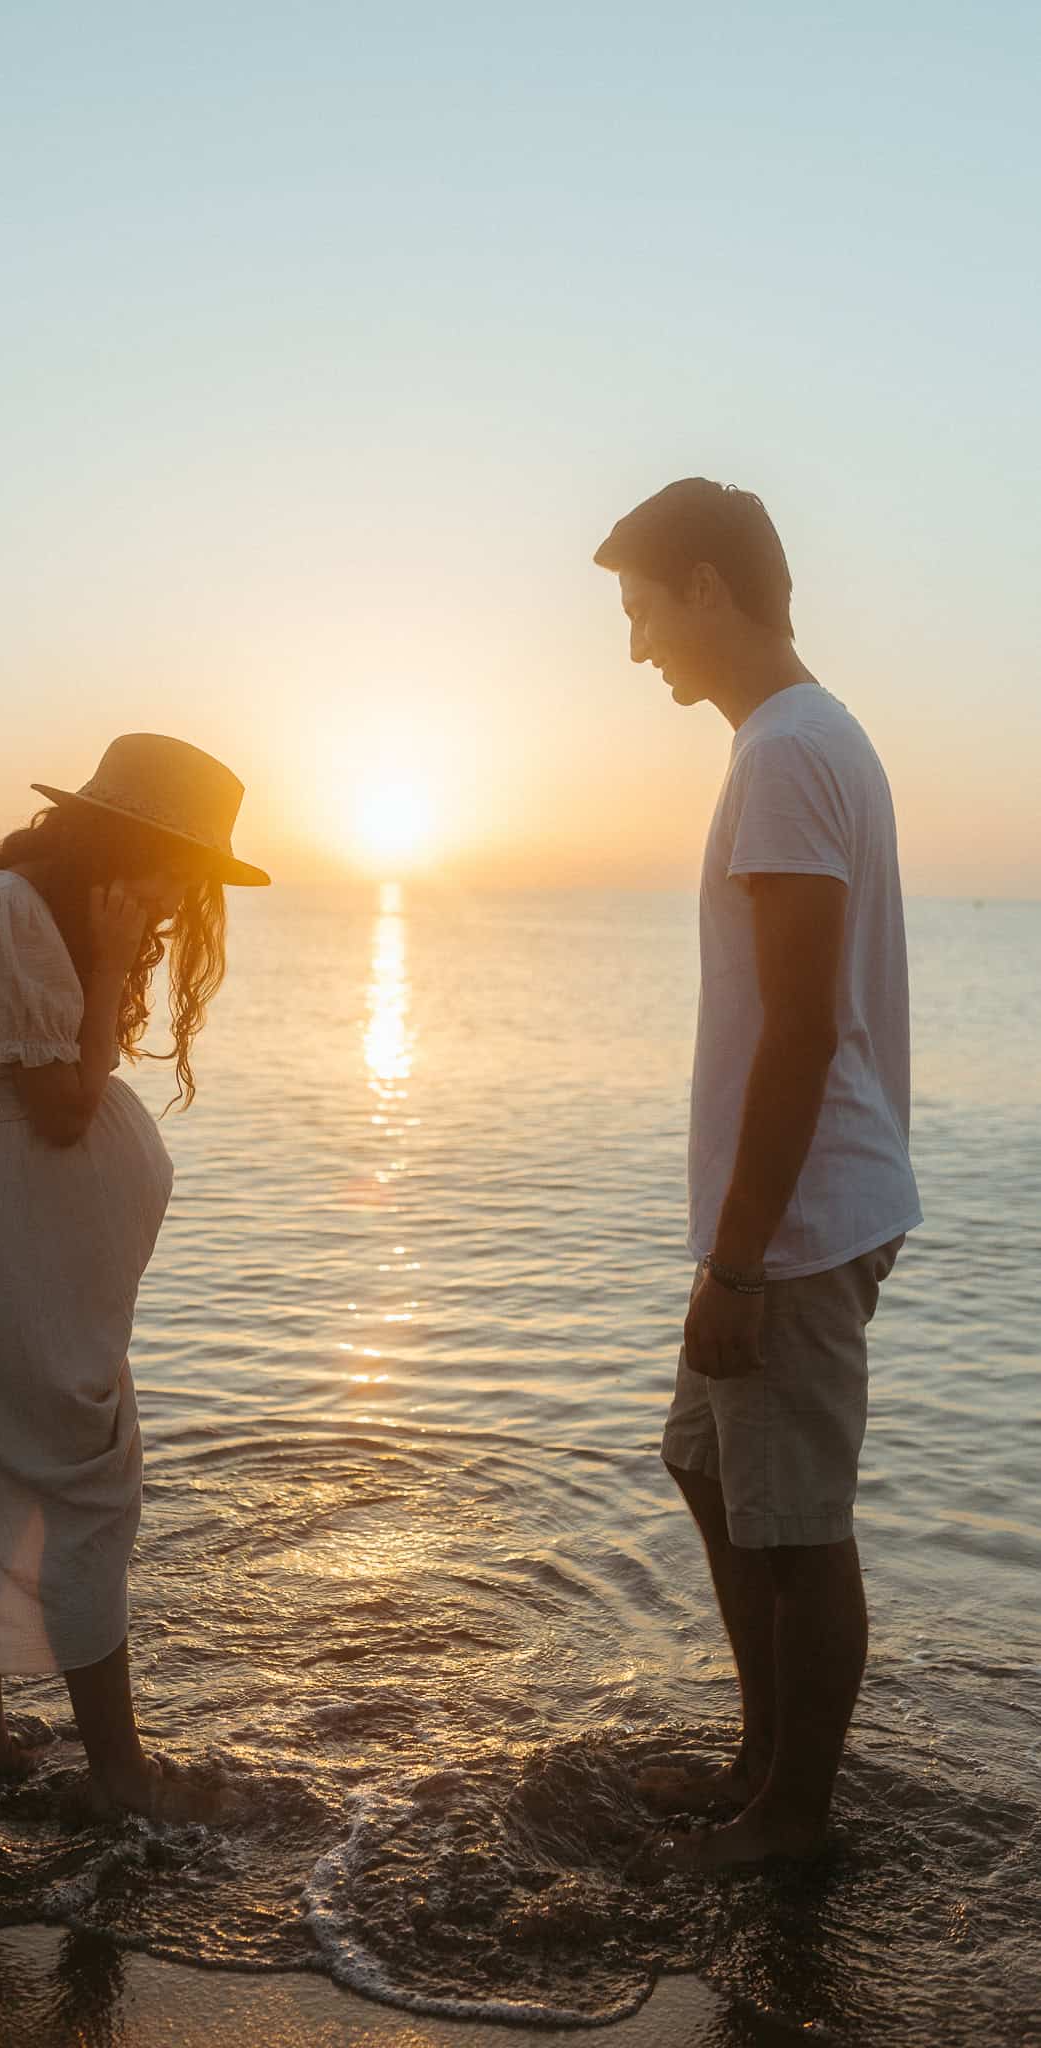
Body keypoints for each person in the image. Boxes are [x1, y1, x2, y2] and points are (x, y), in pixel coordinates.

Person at [593, 480, 921, 1868]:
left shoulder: (788, 752)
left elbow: (798, 1028)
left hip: (793, 1219)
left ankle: (792, 1820)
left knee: (795, 1529)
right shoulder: (798, 739)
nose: (637, 646)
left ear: (708, 589)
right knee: (707, 1466)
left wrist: (736, 1261)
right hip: (787, 1207)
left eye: (642, 611)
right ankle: (761, 1761)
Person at [0, 733, 268, 1820]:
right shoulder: (13, 911)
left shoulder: (31, 910)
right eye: (178, 869)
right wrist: (108, 962)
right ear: (123, 840)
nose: (179, 899)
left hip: (20, 1239)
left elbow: (75, 1081)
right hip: (5, 1237)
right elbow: (63, 1112)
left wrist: (104, 958)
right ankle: (118, 1774)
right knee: (81, 1485)